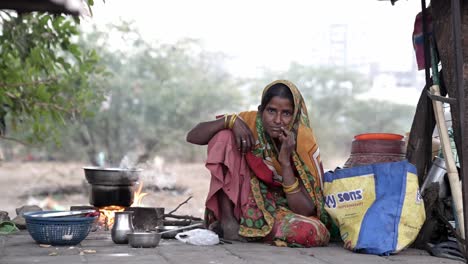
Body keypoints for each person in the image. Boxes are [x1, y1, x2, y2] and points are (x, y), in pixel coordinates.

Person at [186, 80, 333, 247]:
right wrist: (230, 121)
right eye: (271, 111)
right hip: (242, 203)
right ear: (261, 110)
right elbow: (193, 136)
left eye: (286, 113)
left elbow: (305, 210)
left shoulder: (303, 143)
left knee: (312, 231)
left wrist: (285, 161)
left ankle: (252, 231)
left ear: (296, 115)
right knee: (224, 136)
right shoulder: (248, 122)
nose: (278, 120)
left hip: (280, 209)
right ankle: (228, 222)